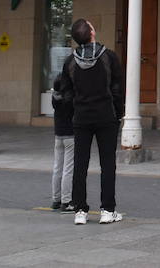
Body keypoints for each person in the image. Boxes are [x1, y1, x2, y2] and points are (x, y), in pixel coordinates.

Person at [63, 18, 125, 226]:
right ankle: (108, 210)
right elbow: (117, 88)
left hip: (81, 118)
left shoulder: (70, 62)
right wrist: (118, 113)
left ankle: (80, 210)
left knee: (80, 164)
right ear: (92, 32)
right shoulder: (108, 57)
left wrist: (76, 109)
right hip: (106, 116)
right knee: (108, 164)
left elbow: (66, 92)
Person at [49, 56, 76, 211]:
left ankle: (55, 199)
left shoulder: (55, 99)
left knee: (57, 167)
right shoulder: (70, 100)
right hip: (70, 135)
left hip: (58, 135)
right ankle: (66, 200)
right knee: (68, 169)